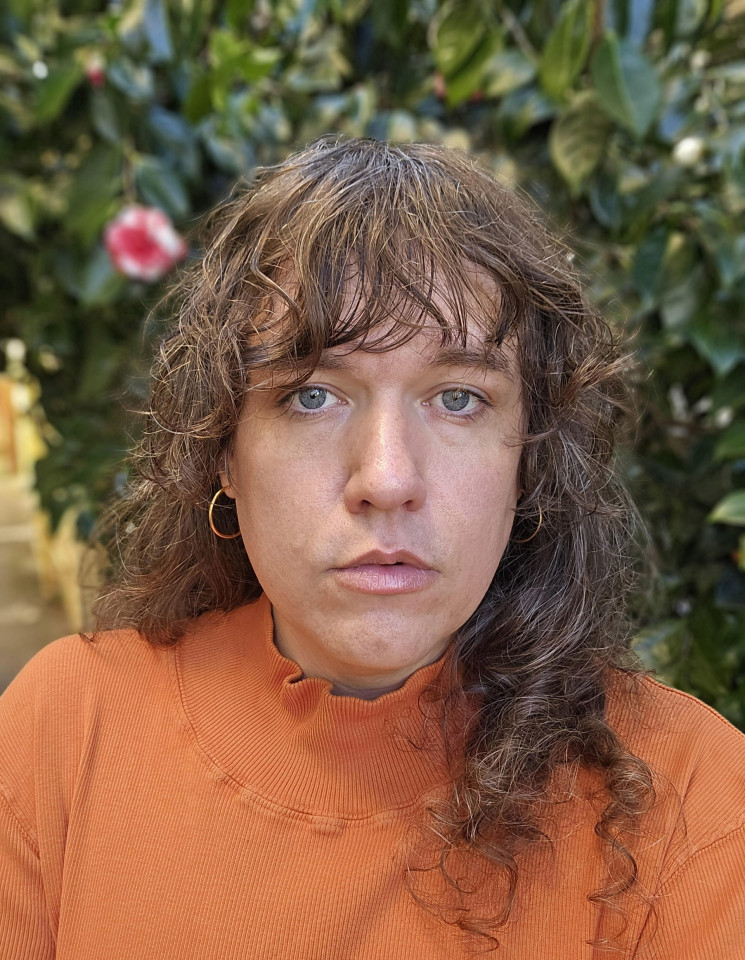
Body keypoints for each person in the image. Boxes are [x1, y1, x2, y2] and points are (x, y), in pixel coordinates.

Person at [0, 138, 743, 959]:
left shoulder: (692, 805)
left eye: (458, 399)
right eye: (311, 396)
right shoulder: (62, 732)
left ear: (529, 459)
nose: (386, 478)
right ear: (223, 450)